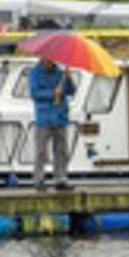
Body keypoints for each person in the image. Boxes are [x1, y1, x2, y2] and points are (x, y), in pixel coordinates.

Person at [29, 57, 76, 191]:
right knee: (41, 151)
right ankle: (38, 180)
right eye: (48, 58)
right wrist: (52, 94)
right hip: (44, 117)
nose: (51, 61)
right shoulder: (35, 73)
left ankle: (61, 179)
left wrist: (69, 78)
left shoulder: (60, 73)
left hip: (60, 116)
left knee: (61, 151)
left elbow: (71, 91)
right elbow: (34, 93)